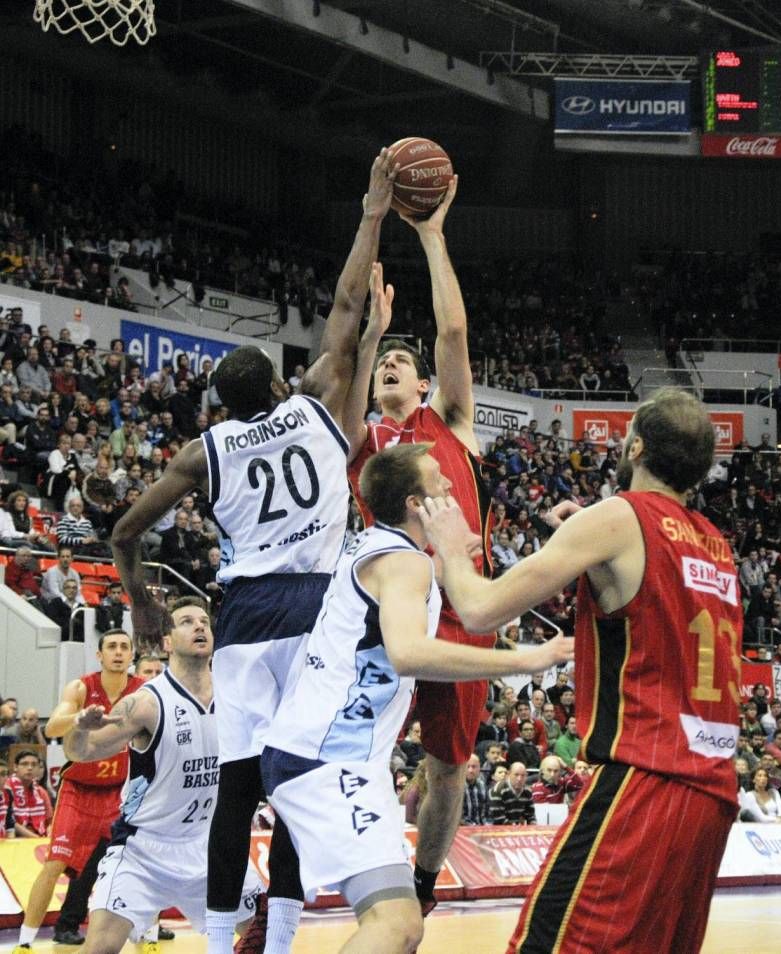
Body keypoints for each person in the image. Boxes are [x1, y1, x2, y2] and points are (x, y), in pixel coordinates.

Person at [109, 150, 400, 954]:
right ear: (277, 386)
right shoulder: (312, 411)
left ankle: (214, 942)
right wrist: (371, 212)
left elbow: (125, 532)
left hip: (245, 614)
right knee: (299, 782)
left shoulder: (202, 454)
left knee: (236, 790)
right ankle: (278, 942)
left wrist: (141, 598)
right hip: (317, 609)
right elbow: (344, 309)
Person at [419, 388, 744, 954]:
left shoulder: (616, 519)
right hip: (712, 797)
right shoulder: (715, 544)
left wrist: (449, 548)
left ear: (637, 445)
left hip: (642, 781)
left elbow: (477, 610)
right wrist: (588, 540)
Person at [261, 443, 574, 954]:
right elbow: (408, 654)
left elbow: (474, 591)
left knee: (403, 928)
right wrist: (524, 662)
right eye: (439, 481)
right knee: (398, 926)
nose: (451, 486)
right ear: (414, 503)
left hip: (329, 755)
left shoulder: (387, 548)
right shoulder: (404, 564)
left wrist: (540, 536)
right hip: (325, 758)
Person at [345, 175, 498, 915]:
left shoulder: (452, 425)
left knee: (447, 769)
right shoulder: (363, 443)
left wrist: (432, 238)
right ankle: (335, 877)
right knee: (356, 754)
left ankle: (427, 883)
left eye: (398, 364)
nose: (386, 373)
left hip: (462, 608)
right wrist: (368, 336)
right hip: (392, 610)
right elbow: (341, 370)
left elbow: (454, 334)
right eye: (380, 369)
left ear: (426, 383)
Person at [60, 598, 261, 954]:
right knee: (99, 949)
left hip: (210, 844)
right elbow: (81, 752)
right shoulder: (147, 703)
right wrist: (78, 728)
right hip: (144, 849)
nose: (199, 627)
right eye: (186, 621)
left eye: (204, 621)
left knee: (266, 936)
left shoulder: (236, 694)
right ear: (166, 642)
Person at [12, 631, 142, 951]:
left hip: (118, 793)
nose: (118, 652)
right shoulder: (82, 687)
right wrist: (78, 718)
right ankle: (25, 942)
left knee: (137, 866)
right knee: (54, 865)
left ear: (131, 655)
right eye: (111, 647)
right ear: (99, 655)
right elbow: (52, 727)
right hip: (78, 791)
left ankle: (144, 934)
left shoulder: (143, 690)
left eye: (124, 647)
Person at [4, 749, 52, 838]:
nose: (30, 768)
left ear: (38, 768)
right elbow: (9, 822)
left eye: (34, 765)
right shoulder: (6, 789)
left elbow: (50, 822)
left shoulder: (41, 792)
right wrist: (35, 838)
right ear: (15, 767)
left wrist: (49, 835)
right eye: (24, 764)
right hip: (14, 840)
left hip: (39, 839)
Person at [462, 753, 488, 825]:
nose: (470, 770)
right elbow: (458, 819)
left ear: (479, 768)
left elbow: (486, 813)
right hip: (463, 829)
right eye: (467, 767)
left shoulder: (482, 786)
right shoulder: (456, 788)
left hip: (481, 828)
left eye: (474, 767)